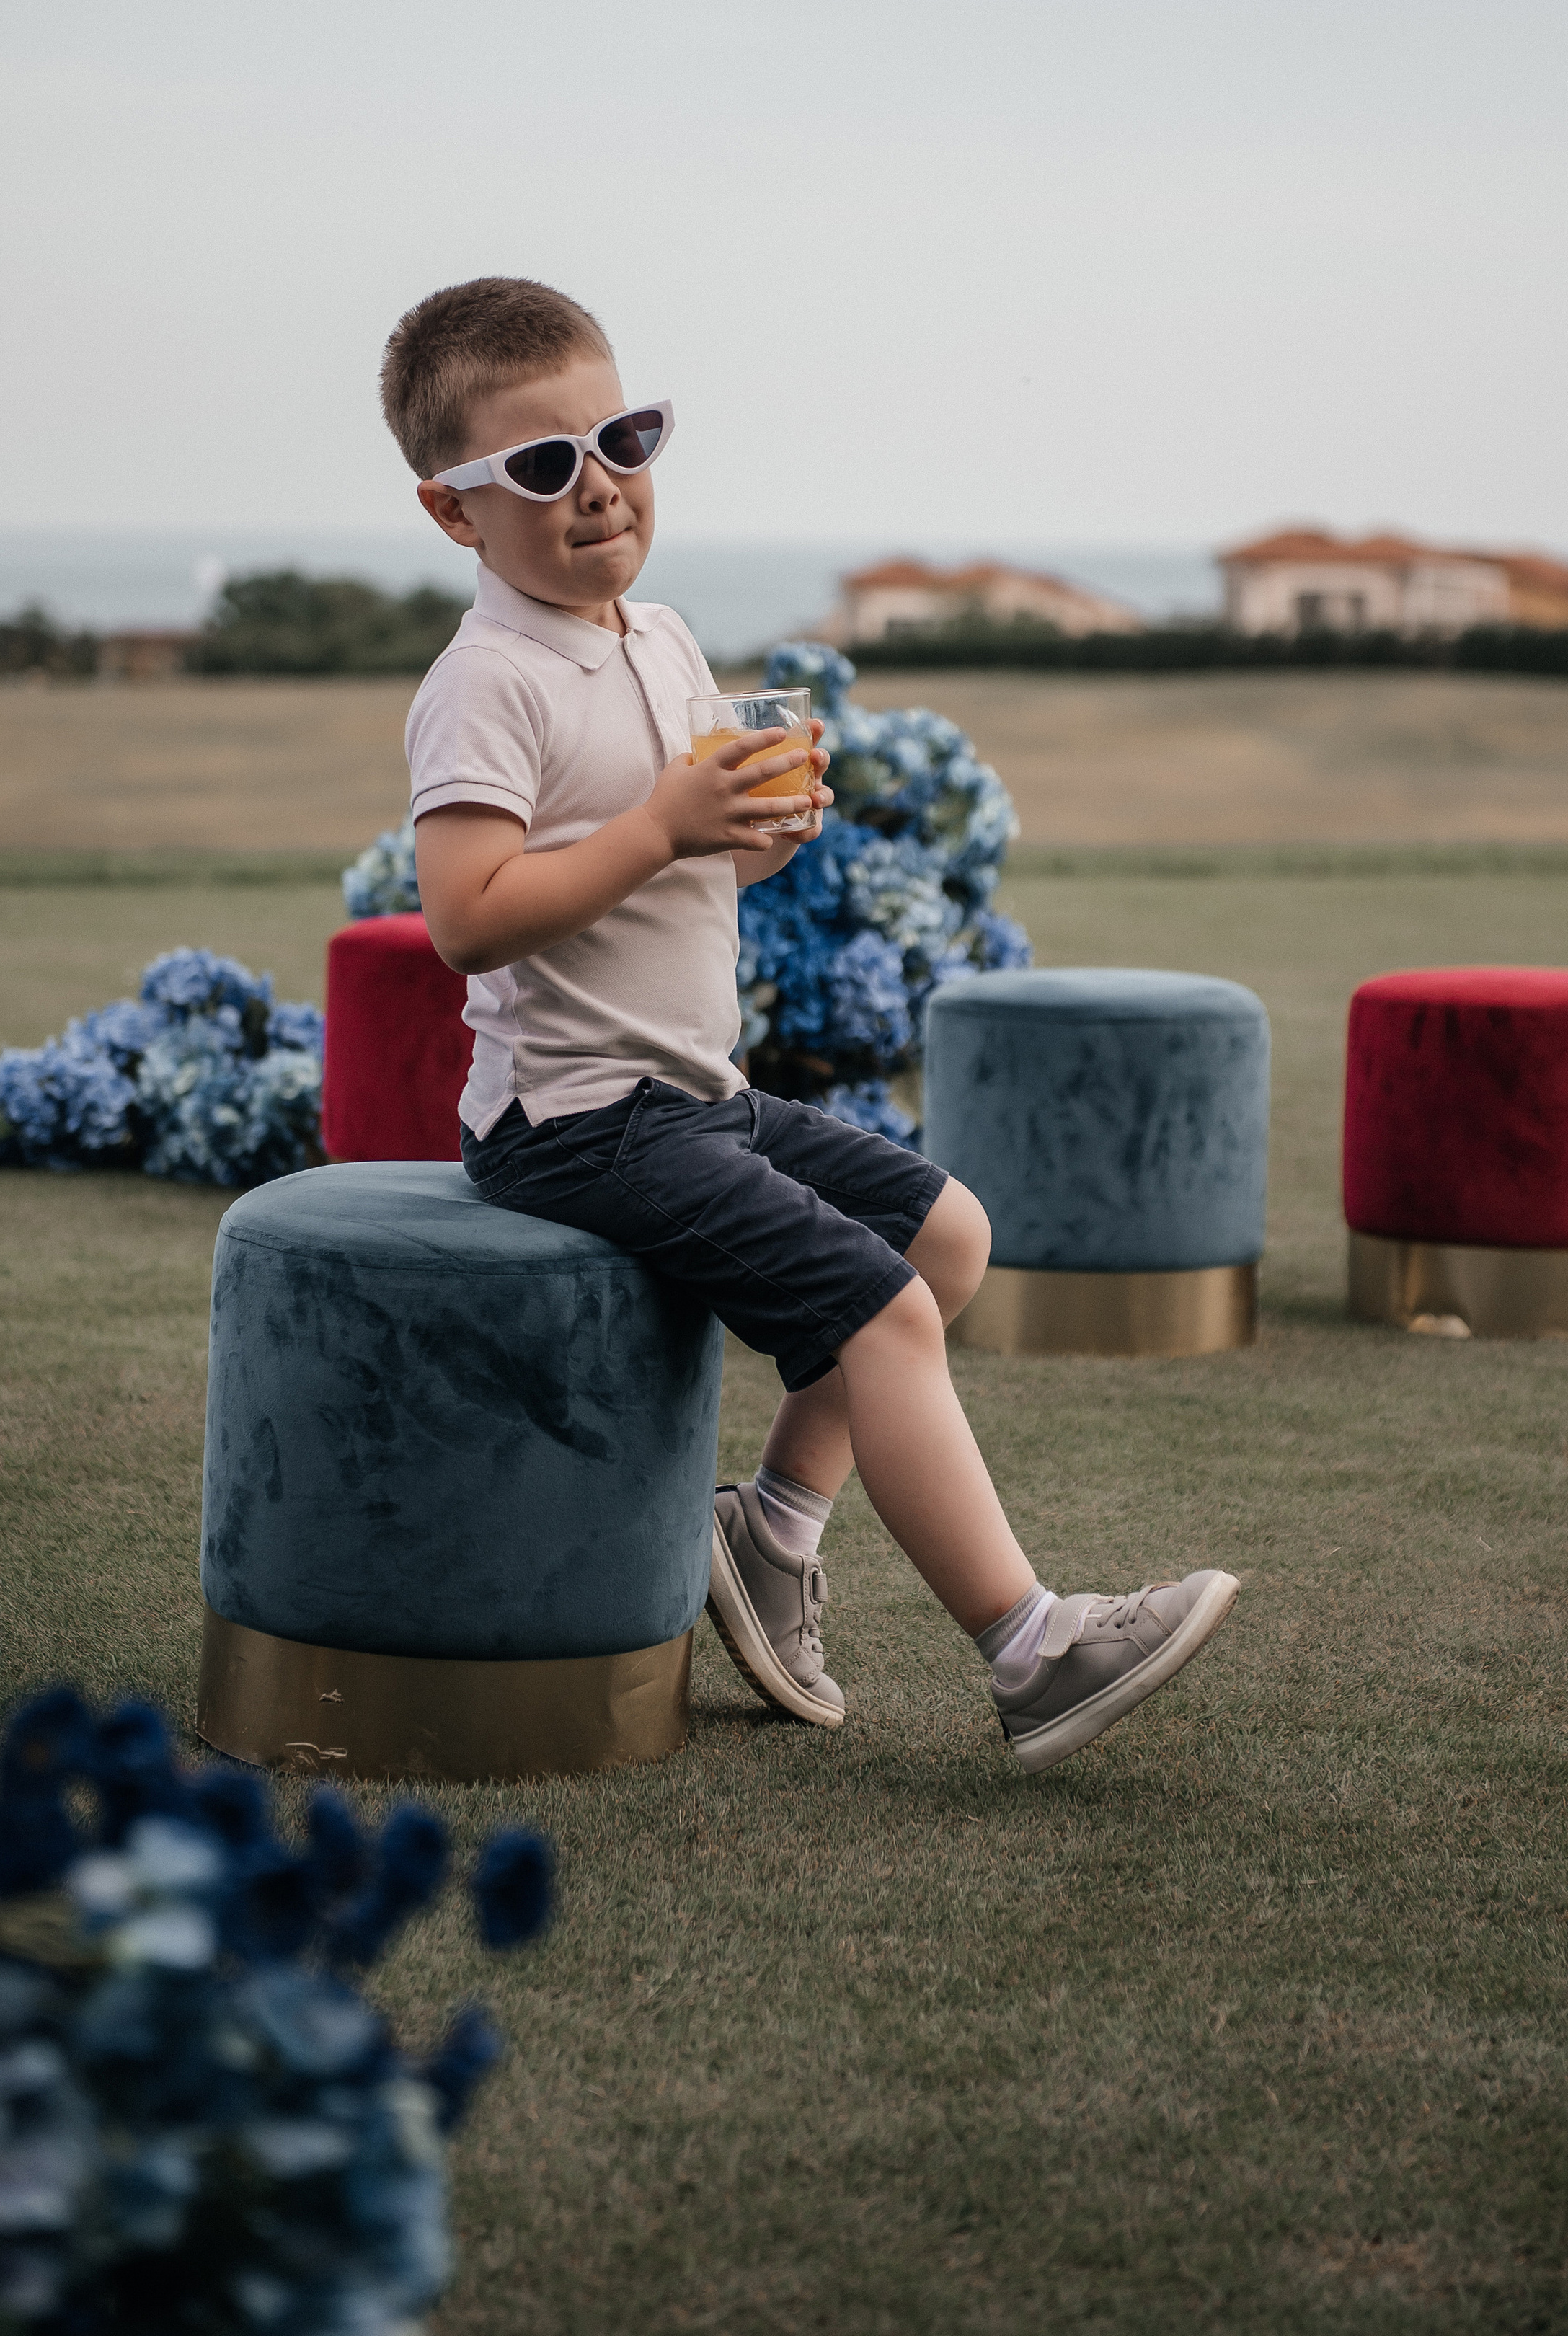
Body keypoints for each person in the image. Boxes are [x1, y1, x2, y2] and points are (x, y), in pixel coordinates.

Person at [387, 275, 1238, 1774]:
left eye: (624, 439)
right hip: (573, 1123)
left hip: (688, 1093)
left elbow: (666, 836)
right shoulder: (484, 684)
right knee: (882, 1310)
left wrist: (741, 834)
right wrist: (664, 826)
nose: (597, 488)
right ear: (454, 512)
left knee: (947, 1237)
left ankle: (769, 1532)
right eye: (540, 465)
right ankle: (1028, 1646)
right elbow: (466, 911)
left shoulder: (654, 639)